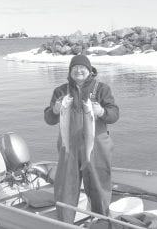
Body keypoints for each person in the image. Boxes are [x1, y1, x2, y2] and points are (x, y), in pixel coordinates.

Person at [44, 54, 119, 224]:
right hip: (68, 146)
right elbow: (49, 119)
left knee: (99, 186)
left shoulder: (102, 89)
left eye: (82, 67)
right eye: (74, 68)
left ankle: (102, 223)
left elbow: (114, 114)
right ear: (70, 71)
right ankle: (64, 223)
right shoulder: (61, 91)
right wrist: (55, 110)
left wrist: (102, 112)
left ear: (89, 70)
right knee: (65, 187)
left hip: (97, 146)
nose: (79, 70)